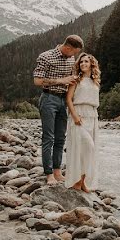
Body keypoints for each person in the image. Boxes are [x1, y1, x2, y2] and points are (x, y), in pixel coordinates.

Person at [33, 35, 84, 184]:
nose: (74, 55)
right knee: (49, 137)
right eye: (74, 52)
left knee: (61, 138)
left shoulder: (70, 59)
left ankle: (57, 171)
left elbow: (72, 77)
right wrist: (60, 80)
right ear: (67, 47)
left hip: (64, 100)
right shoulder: (46, 56)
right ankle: (49, 174)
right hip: (49, 98)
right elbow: (37, 80)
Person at [64, 53, 101, 192]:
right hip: (78, 116)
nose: (83, 64)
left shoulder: (96, 81)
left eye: (86, 61)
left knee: (88, 151)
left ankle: (82, 181)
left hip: (92, 116)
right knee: (85, 148)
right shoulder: (76, 80)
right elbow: (68, 100)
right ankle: (76, 181)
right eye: (81, 62)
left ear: (92, 64)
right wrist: (74, 116)